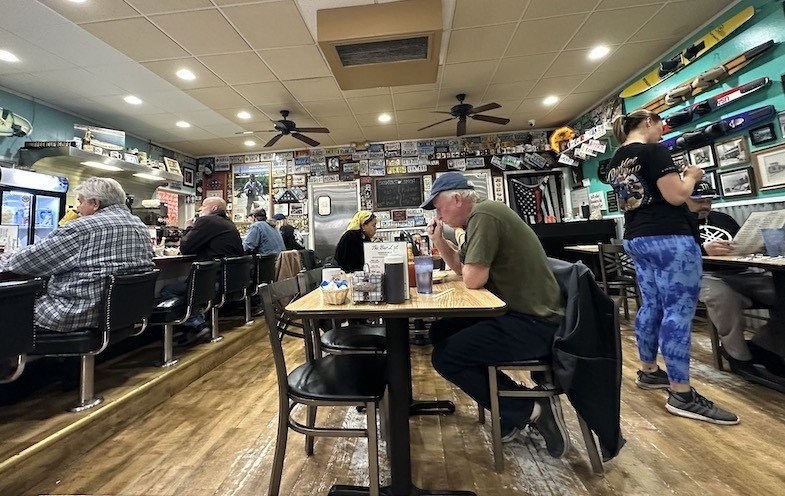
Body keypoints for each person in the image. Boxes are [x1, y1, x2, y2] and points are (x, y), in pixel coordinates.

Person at [422, 172, 570, 458]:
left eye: (439, 208)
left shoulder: (484, 215)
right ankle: (511, 406)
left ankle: (532, 408)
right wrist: (439, 240)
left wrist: (462, 261)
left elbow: (472, 279)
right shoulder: (479, 218)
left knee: (446, 356)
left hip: (536, 323)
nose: (438, 215)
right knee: (441, 332)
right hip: (521, 314)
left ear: (457, 198)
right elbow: (462, 269)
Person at [608, 109, 738, 425]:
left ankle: (649, 371)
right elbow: (677, 196)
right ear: (648, 123)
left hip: (637, 238)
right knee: (678, 313)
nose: (662, 133)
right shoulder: (654, 152)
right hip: (669, 238)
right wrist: (692, 175)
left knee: (651, 306)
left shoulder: (617, 160)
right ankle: (682, 394)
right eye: (661, 126)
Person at [0, 177, 154, 332]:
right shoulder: (140, 225)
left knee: (9, 307)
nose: (78, 209)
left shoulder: (81, 228)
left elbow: (27, 262)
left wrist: (5, 257)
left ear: (94, 203)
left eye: (80, 202)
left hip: (74, 314)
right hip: (122, 314)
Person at [686, 180, 785, 390]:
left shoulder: (723, 219)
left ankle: (764, 345)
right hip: (704, 274)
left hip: (741, 272)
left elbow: (742, 241)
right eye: (699, 201)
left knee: (780, 288)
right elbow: (673, 256)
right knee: (722, 296)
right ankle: (738, 355)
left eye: (709, 201)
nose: (705, 205)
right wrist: (702, 250)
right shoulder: (677, 223)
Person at [164, 197, 243, 343]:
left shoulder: (207, 221)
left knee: (168, 290)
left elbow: (186, 247)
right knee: (191, 289)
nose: (200, 209)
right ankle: (194, 323)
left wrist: (189, 227)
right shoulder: (229, 224)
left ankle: (196, 324)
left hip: (213, 281)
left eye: (203, 206)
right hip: (230, 280)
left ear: (214, 208)